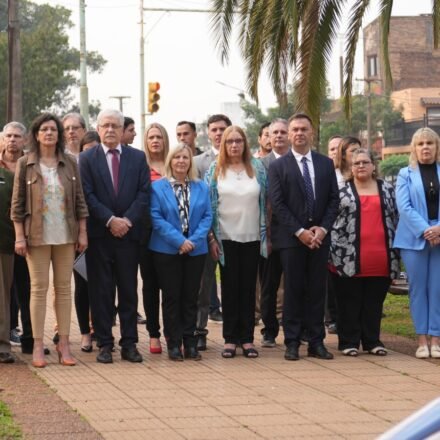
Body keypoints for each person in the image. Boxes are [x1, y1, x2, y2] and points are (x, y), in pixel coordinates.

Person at [11, 113, 89, 368]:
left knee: (64, 289)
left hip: (65, 235)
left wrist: (82, 231)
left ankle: (64, 344)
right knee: (38, 289)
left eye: (53, 130)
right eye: (44, 129)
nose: (49, 133)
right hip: (36, 237)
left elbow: (79, 201)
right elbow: (17, 204)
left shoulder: (69, 163)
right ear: (35, 134)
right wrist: (20, 236)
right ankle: (36, 344)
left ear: (60, 135)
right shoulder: (26, 163)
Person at [79, 109, 149, 364]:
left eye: (115, 126)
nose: (110, 130)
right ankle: (105, 344)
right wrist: (110, 220)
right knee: (101, 292)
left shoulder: (138, 158)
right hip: (100, 236)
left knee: (129, 291)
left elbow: (143, 194)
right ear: (98, 129)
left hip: (129, 237)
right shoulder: (86, 159)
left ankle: (129, 343)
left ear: (122, 130)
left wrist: (126, 221)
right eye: (105, 125)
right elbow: (87, 195)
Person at [269, 113, 339, 361]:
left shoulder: (325, 164)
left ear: (312, 133)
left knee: (317, 290)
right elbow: (277, 204)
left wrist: (323, 229)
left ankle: (316, 341)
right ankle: (292, 341)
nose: (299, 133)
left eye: (304, 129)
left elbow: (333, 200)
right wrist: (300, 232)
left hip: (320, 237)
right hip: (291, 239)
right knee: (294, 290)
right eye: (295, 129)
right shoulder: (278, 166)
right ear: (289, 134)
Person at [330, 148, 399, 357]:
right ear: (351, 168)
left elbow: (396, 218)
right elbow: (332, 222)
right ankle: (348, 341)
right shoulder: (341, 191)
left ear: (373, 165)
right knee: (348, 301)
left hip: (381, 255)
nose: (361, 166)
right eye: (356, 163)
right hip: (347, 257)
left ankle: (372, 341)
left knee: (374, 302)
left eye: (365, 162)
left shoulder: (387, 189)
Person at [206, 125, 268, 359]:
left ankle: (248, 340)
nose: (234, 145)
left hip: (252, 236)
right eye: (229, 141)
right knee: (230, 289)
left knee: (249, 288)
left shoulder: (258, 169)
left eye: (238, 141)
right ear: (223, 144)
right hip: (225, 238)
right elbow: (208, 206)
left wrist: (267, 235)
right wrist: (211, 238)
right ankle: (230, 339)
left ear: (245, 143)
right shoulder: (215, 170)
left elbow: (266, 201)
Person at [150, 144, 212, 361]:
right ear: (170, 161)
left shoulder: (201, 187)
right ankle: (174, 343)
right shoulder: (158, 187)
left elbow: (207, 217)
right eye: (176, 157)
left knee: (190, 297)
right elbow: (156, 218)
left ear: (190, 161)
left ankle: (190, 342)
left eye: (185, 157)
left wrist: (192, 241)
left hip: (195, 251)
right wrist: (179, 241)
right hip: (167, 250)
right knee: (171, 298)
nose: (181, 161)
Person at [394, 127, 440, 359]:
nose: (425, 148)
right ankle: (422, 340)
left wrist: (438, 229)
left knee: (438, 289)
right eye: (421, 144)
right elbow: (404, 207)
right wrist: (426, 230)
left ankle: (436, 338)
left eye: (429, 144)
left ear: (436, 147)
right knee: (418, 290)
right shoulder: (405, 174)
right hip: (413, 240)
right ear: (414, 148)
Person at [193, 114, 232, 350]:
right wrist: (206, 235)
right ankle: (199, 330)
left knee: (234, 285)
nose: (218, 133)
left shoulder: (241, 159)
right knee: (203, 286)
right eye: (214, 129)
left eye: (223, 129)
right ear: (208, 132)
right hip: (206, 234)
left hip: (235, 231)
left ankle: (235, 333)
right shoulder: (198, 162)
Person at [1, 122, 33, 353]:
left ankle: (30, 338)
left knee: (28, 288)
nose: (12, 140)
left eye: (17, 136)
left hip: (29, 239)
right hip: (3, 239)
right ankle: (6, 335)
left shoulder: (32, 165)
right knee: (4, 292)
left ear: (25, 141)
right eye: (8, 136)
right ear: (2, 139)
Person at [258, 119, 289, 347]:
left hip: (295, 234)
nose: (277, 136)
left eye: (281, 132)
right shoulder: (260, 164)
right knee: (268, 284)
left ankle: (296, 328)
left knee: (296, 284)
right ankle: (269, 330)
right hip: (269, 234)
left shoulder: (298, 162)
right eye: (272, 133)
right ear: (267, 137)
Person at [140, 122, 169, 354]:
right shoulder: (140, 166)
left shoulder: (174, 164)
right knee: (150, 286)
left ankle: (172, 331)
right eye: (151, 137)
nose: (155, 141)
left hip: (172, 236)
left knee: (170, 286)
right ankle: (153, 334)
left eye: (159, 137)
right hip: (146, 234)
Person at [0, 158, 15, 363]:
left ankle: (2, 345)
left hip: (3, 244)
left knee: (2, 296)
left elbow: (16, 208)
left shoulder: (8, 178)